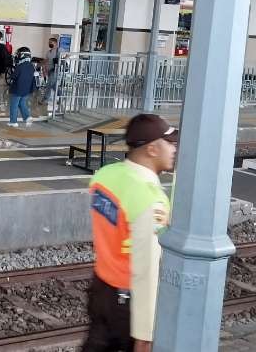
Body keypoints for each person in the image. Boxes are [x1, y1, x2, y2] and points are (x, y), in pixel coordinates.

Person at [84, 113, 177, 352]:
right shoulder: (149, 201)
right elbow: (148, 270)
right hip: (128, 303)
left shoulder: (105, 176)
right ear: (152, 149)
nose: (174, 149)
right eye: (170, 143)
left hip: (101, 287)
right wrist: (145, 335)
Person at [7, 47, 37, 127]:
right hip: (26, 90)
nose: (17, 56)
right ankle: (27, 117)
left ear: (22, 55)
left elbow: (13, 77)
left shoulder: (19, 66)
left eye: (18, 54)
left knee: (14, 105)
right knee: (22, 103)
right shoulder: (31, 66)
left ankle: (13, 122)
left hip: (17, 90)